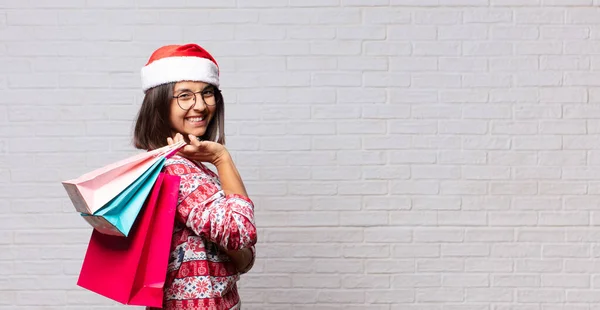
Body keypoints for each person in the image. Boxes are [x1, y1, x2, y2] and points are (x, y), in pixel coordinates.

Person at [132, 43, 257, 310]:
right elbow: (240, 236)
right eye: (185, 96)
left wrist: (241, 254)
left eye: (207, 93)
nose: (200, 105)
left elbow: (241, 252)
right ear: (159, 103)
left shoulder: (185, 164)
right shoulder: (174, 168)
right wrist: (222, 158)